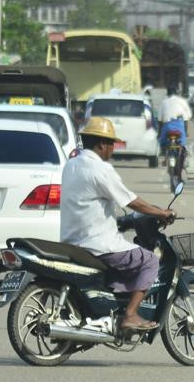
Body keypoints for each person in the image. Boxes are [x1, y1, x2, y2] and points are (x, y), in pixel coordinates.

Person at [60, 117, 175, 331]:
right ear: (102, 144)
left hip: (72, 242)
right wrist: (161, 212)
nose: (113, 148)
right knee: (150, 261)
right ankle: (130, 315)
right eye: (111, 143)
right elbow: (131, 200)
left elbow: (87, 201)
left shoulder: (71, 165)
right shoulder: (100, 169)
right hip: (99, 245)